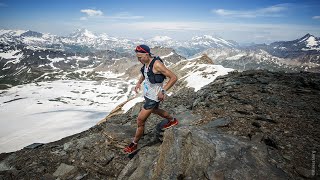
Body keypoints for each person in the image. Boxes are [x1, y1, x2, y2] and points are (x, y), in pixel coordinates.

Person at [124, 44, 179, 154]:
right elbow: (145, 73)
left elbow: (174, 77)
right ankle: (172, 120)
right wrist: (139, 82)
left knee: (140, 120)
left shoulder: (157, 65)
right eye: (137, 57)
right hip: (148, 94)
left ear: (146, 54)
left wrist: (163, 91)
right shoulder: (146, 62)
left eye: (140, 57)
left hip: (154, 97)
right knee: (154, 110)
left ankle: (134, 144)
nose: (138, 60)